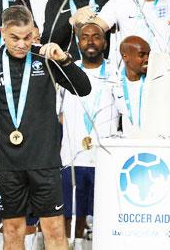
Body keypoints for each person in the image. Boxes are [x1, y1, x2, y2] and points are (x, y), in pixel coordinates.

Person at [0, 6, 91, 250]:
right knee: (12, 230)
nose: (22, 44)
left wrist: (64, 60)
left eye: (28, 37)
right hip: (5, 164)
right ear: (2, 32)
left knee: (53, 229)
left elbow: (83, 88)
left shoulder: (46, 57)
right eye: (14, 38)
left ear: (34, 33)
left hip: (44, 160)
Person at [58, 23, 118, 241]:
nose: (90, 41)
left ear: (105, 42)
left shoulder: (115, 70)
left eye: (96, 37)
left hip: (104, 158)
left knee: (103, 218)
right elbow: (57, 112)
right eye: (85, 37)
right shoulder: (66, 70)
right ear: (78, 42)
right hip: (71, 156)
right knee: (70, 218)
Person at [113, 35, 170, 135]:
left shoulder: (163, 78)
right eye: (141, 55)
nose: (147, 59)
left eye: (149, 55)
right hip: (132, 147)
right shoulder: (115, 84)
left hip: (160, 146)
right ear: (125, 56)